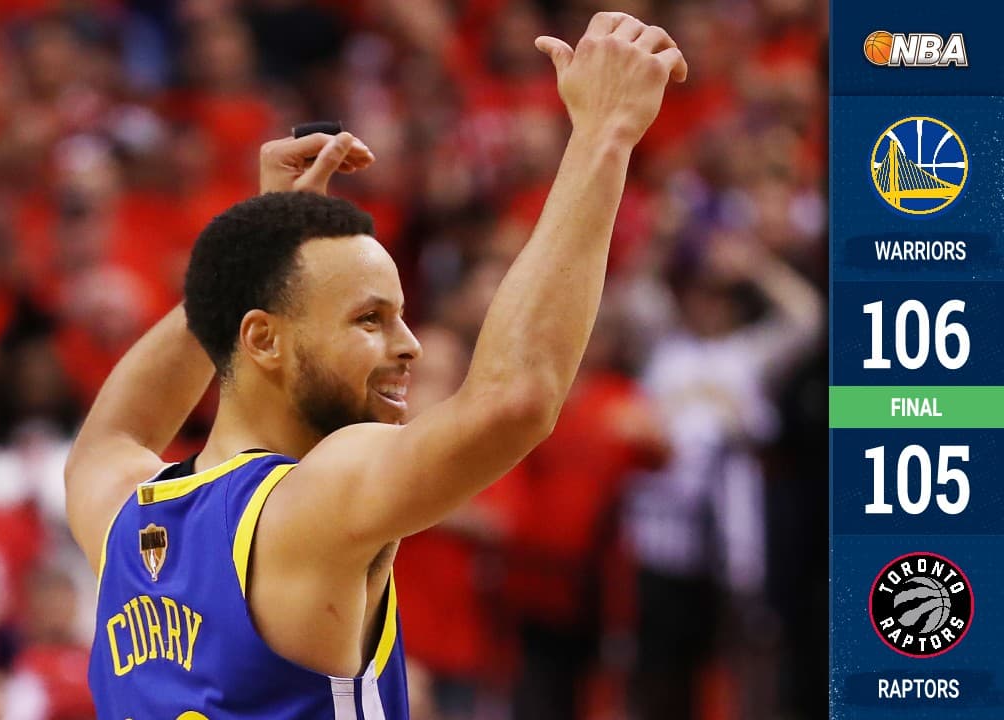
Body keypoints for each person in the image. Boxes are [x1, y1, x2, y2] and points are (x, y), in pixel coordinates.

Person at [65, 12, 687, 719]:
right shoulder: (306, 500)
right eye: (370, 319)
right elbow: (515, 400)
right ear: (263, 339)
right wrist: (604, 133)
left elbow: (116, 433)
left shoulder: (120, 512)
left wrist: (259, 243)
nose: (409, 344)